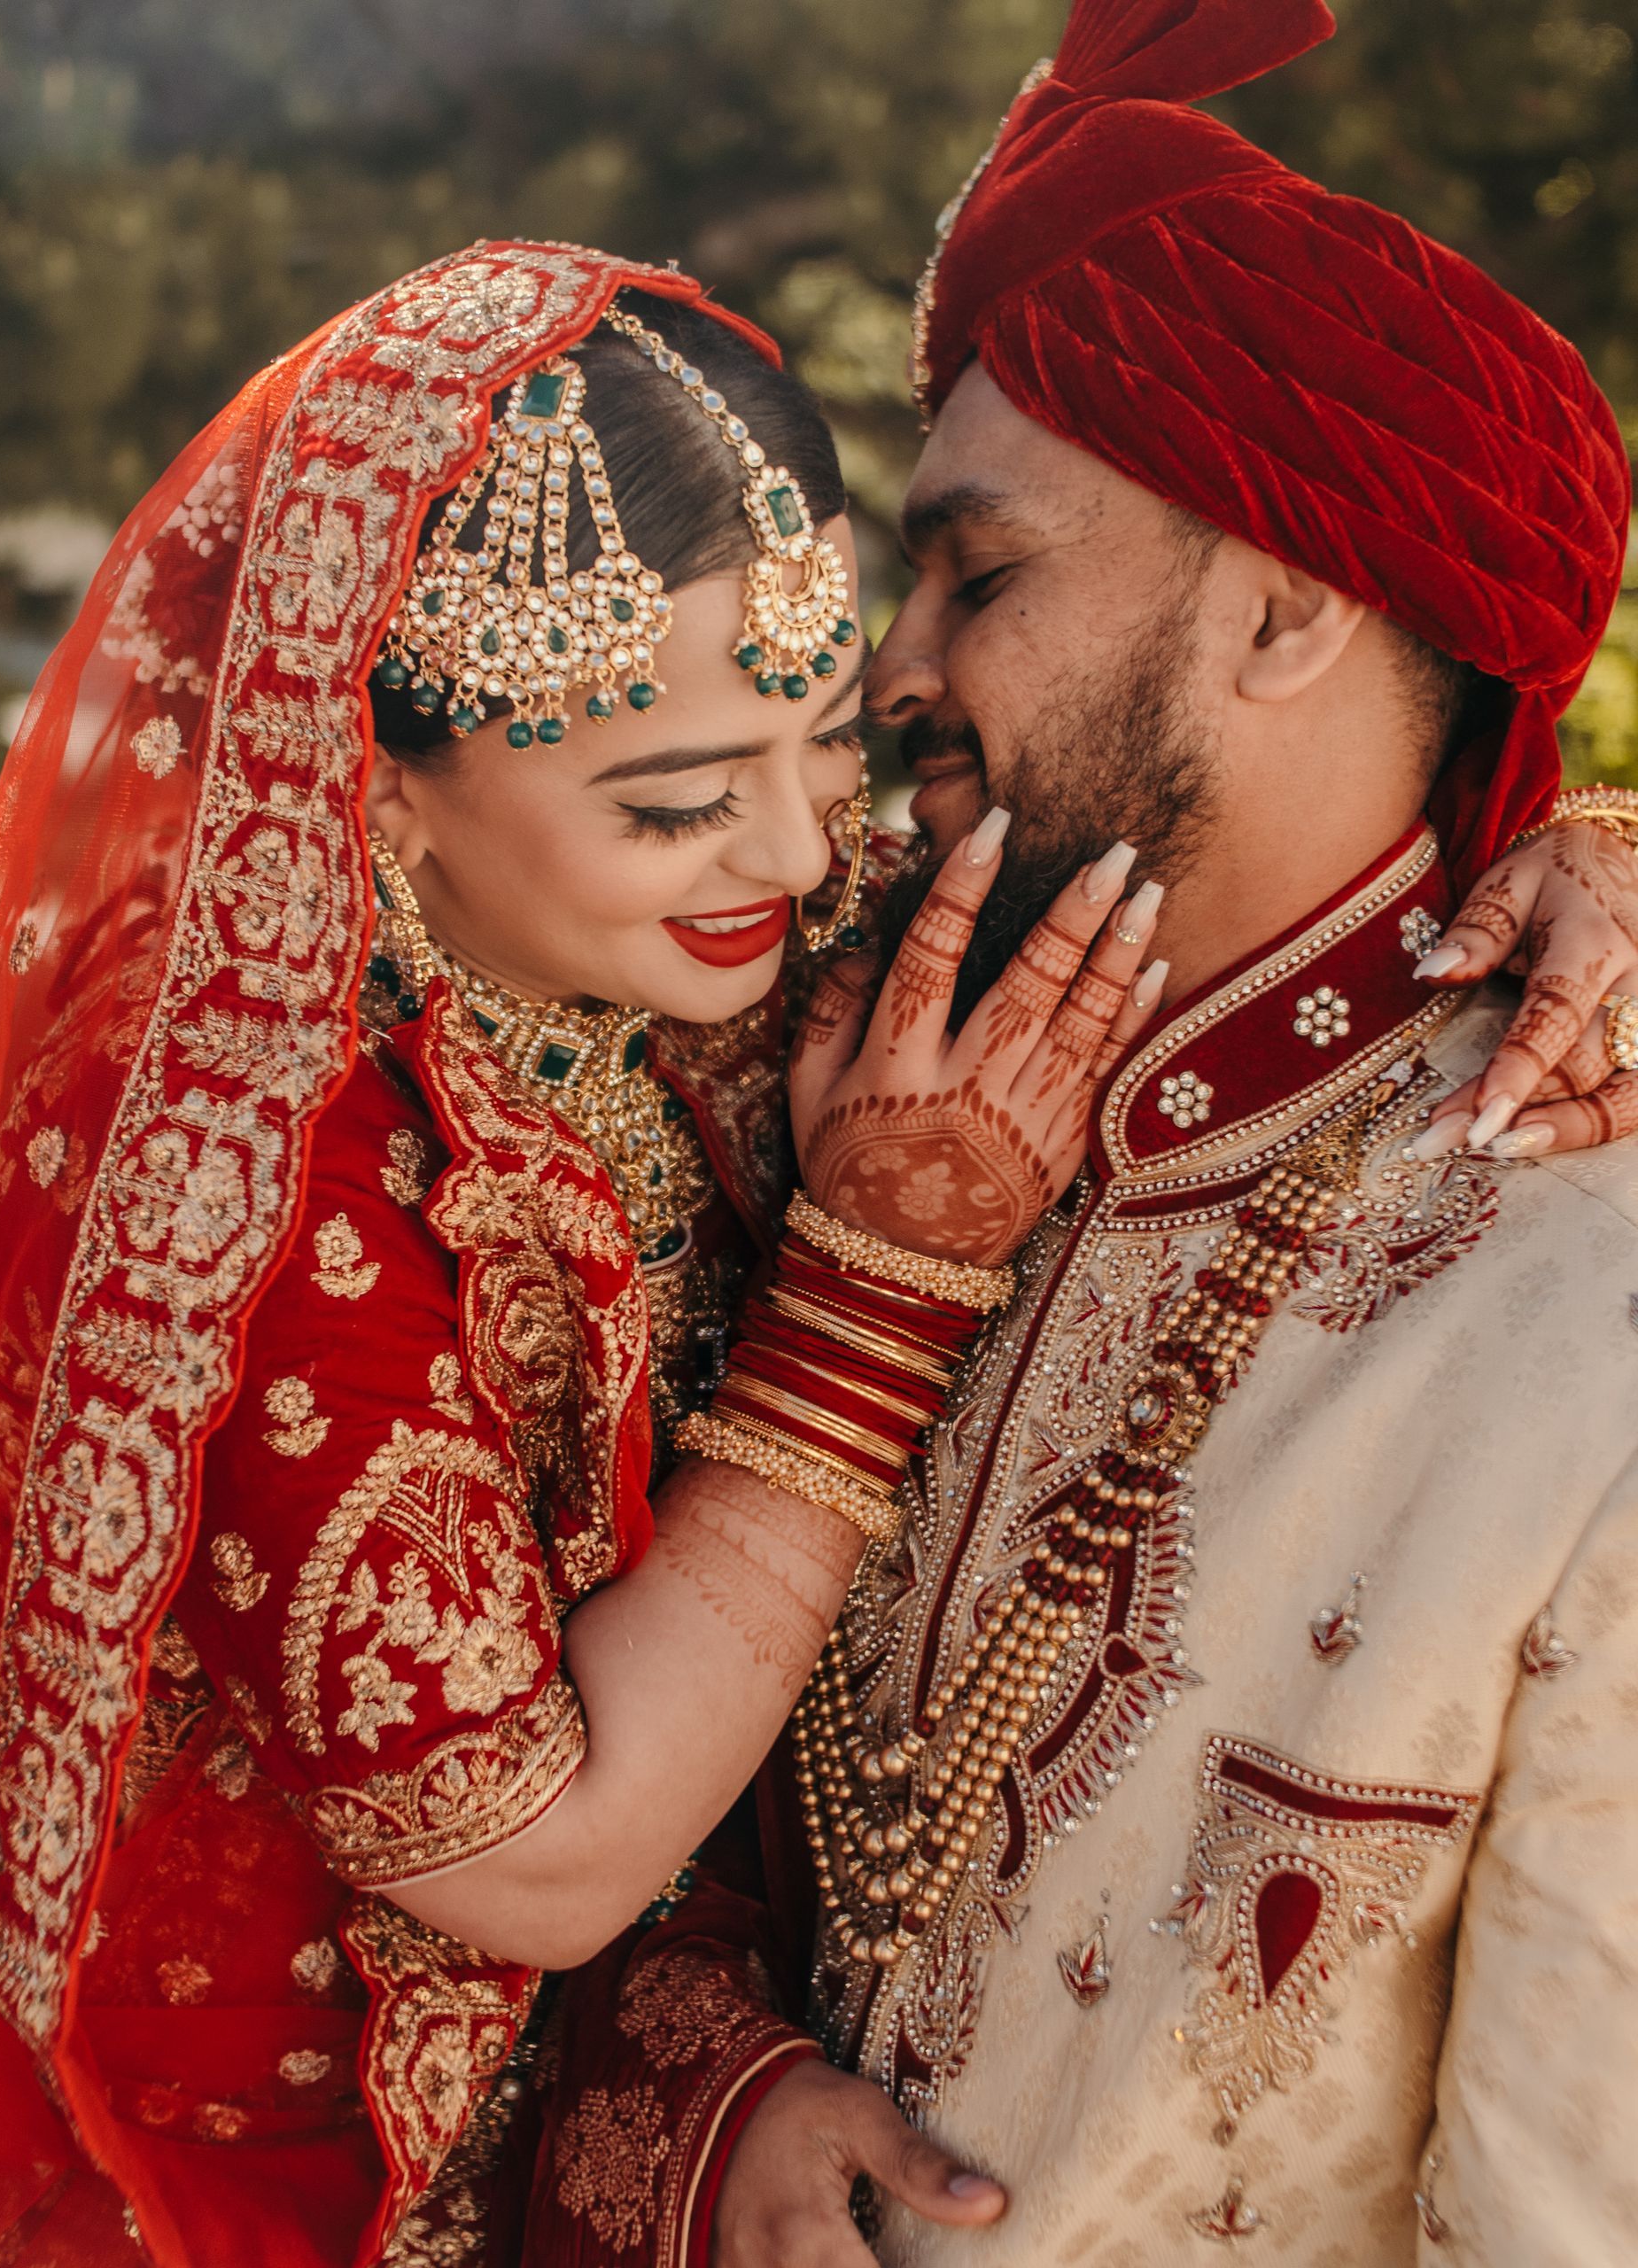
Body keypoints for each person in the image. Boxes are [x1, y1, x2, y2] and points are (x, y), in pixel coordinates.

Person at [523, 6, 1638, 2264]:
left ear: (1296, 601)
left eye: (979, 574)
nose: (889, 668)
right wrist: (707, 2093)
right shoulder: (831, 1101)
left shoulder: (1586, 1304)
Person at [0, 242, 1165, 2268]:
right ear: (383, 776)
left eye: (832, 741)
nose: (791, 854)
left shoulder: (681, 927)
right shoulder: (234, 1120)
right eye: (681, 798)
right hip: (259, 2192)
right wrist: (868, 1299)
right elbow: (534, 1863)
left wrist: (1582, 863)